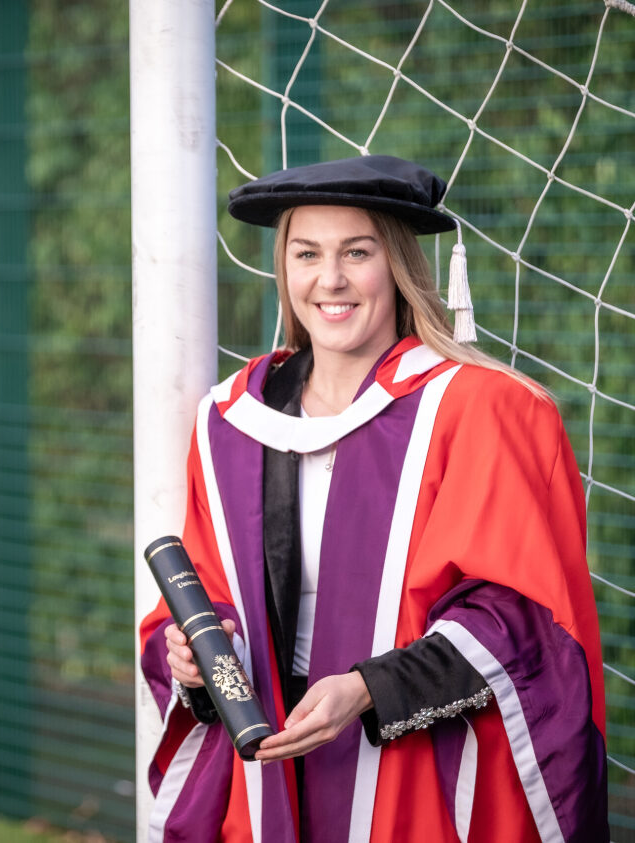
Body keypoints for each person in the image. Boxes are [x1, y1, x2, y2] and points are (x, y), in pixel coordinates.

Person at [139, 155, 608, 842]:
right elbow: (201, 595)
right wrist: (190, 657)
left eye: (355, 252)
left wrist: (363, 688)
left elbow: (522, 616)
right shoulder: (230, 421)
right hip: (268, 760)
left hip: (413, 767)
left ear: (395, 265)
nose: (329, 279)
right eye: (307, 253)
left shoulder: (479, 409)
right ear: (283, 267)